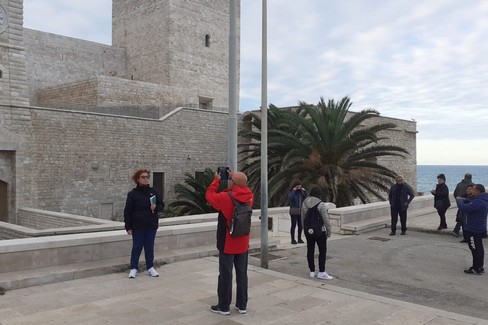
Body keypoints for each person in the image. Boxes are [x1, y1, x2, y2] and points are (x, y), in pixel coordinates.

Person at [205, 169, 254, 316]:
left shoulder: (226, 197)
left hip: (228, 242)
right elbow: (242, 185)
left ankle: (224, 306)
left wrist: (216, 180)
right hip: (243, 241)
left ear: (232, 182)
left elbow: (210, 196)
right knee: (242, 274)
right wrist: (235, 177)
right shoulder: (249, 195)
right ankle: (242, 305)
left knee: (225, 274)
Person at [124, 169, 164, 279]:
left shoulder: (154, 192)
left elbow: (161, 205)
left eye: (147, 177)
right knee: (137, 247)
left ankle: (150, 267)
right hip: (138, 226)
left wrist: (156, 208)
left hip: (151, 225)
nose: (145, 179)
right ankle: (133, 268)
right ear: (138, 179)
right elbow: (128, 211)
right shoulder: (132, 194)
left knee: (149, 247)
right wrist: (128, 227)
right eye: (143, 177)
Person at [301, 185, 333, 280]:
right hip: (320, 232)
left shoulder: (305, 202)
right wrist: (329, 231)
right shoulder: (321, 204)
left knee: (310, 250)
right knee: (322, 251)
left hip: (308, 231)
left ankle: (312, 271)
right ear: (319, 194)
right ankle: (321, 272)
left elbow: (302, 217)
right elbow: (326, 219)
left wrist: (305, 229)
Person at [456, 184, 488, 275]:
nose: (471, 191)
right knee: (479, 248)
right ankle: (480, 266)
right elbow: (471, 202)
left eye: (473, 189)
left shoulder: (479, 202)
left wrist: (459, 201)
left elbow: (464, 208)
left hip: (473, 229)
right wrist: (465, 200)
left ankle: (475, 268)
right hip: (479, 228)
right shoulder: (482, 199)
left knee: (474, 248)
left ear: (477, 191)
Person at [452, 173, 474, 237]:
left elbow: (455, 193)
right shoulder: (472, 185)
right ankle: (457, 231)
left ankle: (457, 230)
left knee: (461, 216)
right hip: (467, 202)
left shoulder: (459, 184)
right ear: (470, 178)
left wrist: (458, 200)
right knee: (464, 217)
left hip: (459, 202)